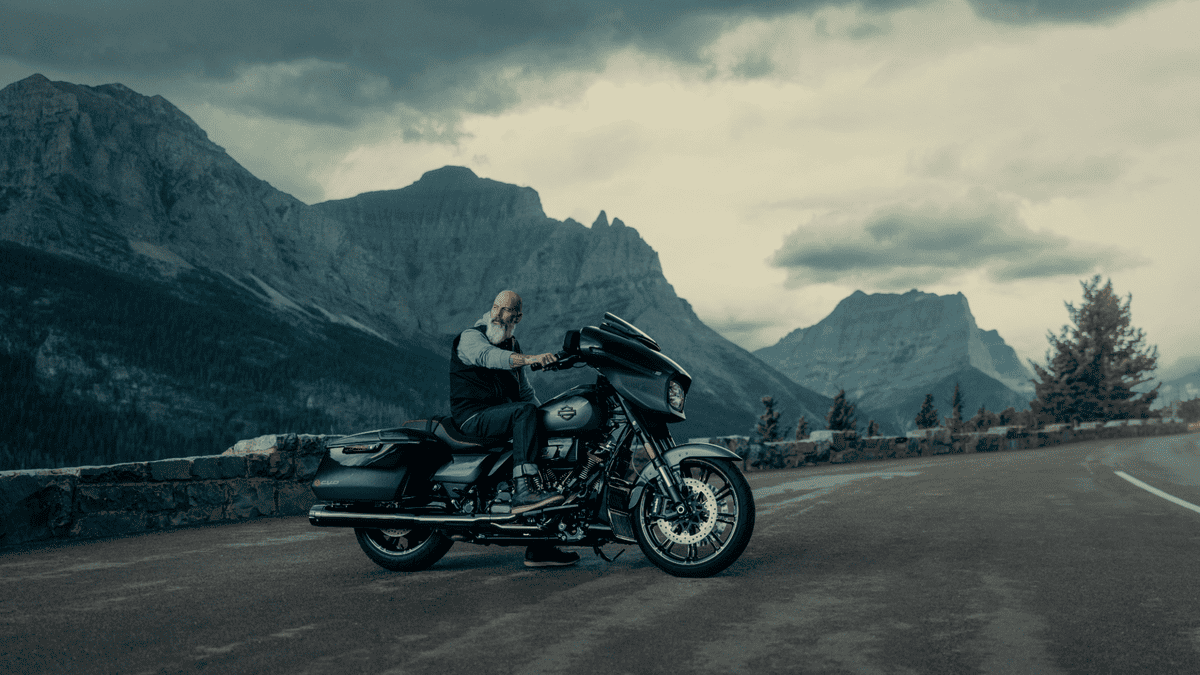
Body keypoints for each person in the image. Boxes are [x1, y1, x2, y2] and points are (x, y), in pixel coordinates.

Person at [449, 290, 580, 568]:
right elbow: (489, 357)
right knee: (523, 413)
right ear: (494, 308)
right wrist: (532, 359)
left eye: (515, 315)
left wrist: (550, 419)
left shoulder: (512, 344)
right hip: (472, 417)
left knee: (543, 442)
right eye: (506, 311)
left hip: (502, 416)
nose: (508, 318)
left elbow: (524, 394)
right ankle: (524, 490)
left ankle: (540, 546)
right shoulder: (471, 338)